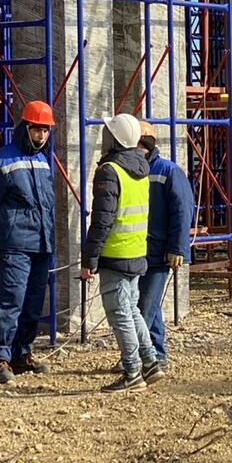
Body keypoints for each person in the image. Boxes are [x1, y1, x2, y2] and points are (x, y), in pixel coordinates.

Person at [0, 100, 57, 385]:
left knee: (33, 301)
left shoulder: (44, 160)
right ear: (25, 128)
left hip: (42, 241)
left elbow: (47, 203)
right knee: (11, 299)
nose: (42, 136)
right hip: (14, 242)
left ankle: (22, 353)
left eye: (45, 131)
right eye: (37, 130)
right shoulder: (1, 160)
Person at [79, 113, 163, 392]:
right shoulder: (141, 168)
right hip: (137, 251)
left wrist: (89, 260)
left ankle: (132, 372)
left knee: (120, 314)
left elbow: (102, 219)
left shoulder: (110, 171)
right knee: (132, 309)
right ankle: (150, 361)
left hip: (116, 254)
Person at [137, 121, 194, 368]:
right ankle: (156, 354)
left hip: (160, 251)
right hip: (138, 249)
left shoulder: (168, 171)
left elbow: (183, 210)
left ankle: (139, 358)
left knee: (145, 307)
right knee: (150, 305)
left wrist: (178, 248)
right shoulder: (135, 170)